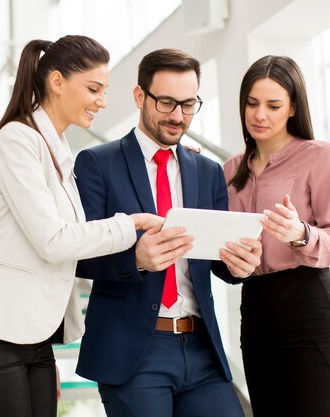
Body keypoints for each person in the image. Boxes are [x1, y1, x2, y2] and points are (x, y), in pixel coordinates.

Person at [0, 35, 163, 417]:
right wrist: (129, 225)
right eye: (93, 89)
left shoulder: (60, 151)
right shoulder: (16, 140)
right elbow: (54, 241)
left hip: (32, 340)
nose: (102, 101)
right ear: (57, 82)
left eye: (105, 90)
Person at [74, 48, 262, 417]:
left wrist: (241, 265)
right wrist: (136, 260)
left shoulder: (208, 172)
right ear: (139, 96)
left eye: (188, 104)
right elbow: (79, 256)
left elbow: (217, 260)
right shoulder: (97, 163)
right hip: (133, 351)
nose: (178, 116)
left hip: (201, 347)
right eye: (166, 103)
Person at [224, 55, 330, 417]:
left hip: (311, 309)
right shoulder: (230, 170)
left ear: (293, 107)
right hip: (256, 314)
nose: (259, 115)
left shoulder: (320, 156)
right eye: (252, 103)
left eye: (273, 105)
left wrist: (301, 234)